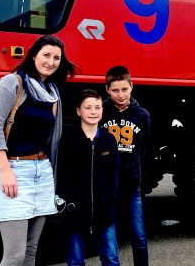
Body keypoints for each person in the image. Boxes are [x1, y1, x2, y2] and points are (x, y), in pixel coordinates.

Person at [0, 34, 75, 266]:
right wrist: (4, 170)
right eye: (46, 55)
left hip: (42, 172)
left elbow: (50, 139)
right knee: (14, 256)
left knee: (31, 252)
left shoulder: (52, 91)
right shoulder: (12, 82)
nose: (51, 62)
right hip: (14, 170)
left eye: (56, 58)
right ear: (33, 55)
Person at [56, 89, 119, 266]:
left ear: (102, 111)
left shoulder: (108, 140)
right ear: (78, 111)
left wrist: (109, 203)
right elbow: (63, 174)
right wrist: (69, 204)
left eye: (97, 107)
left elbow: (113, 176)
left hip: (104, 213)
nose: (93, 112)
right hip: (75, 213)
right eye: (88, 107)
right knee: (75, 261)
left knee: (111, 258)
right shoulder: (68, 140)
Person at [101, 65, 151, 266]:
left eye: (124, 89)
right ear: (107, 90)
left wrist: (139, 176)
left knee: (138, 235)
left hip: (132, 186)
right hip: (107, 186)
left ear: (132, 86)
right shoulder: (101, 112)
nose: (120, 95)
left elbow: (144, 148)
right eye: (115, 90)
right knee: (108, 235)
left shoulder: (142, 115)